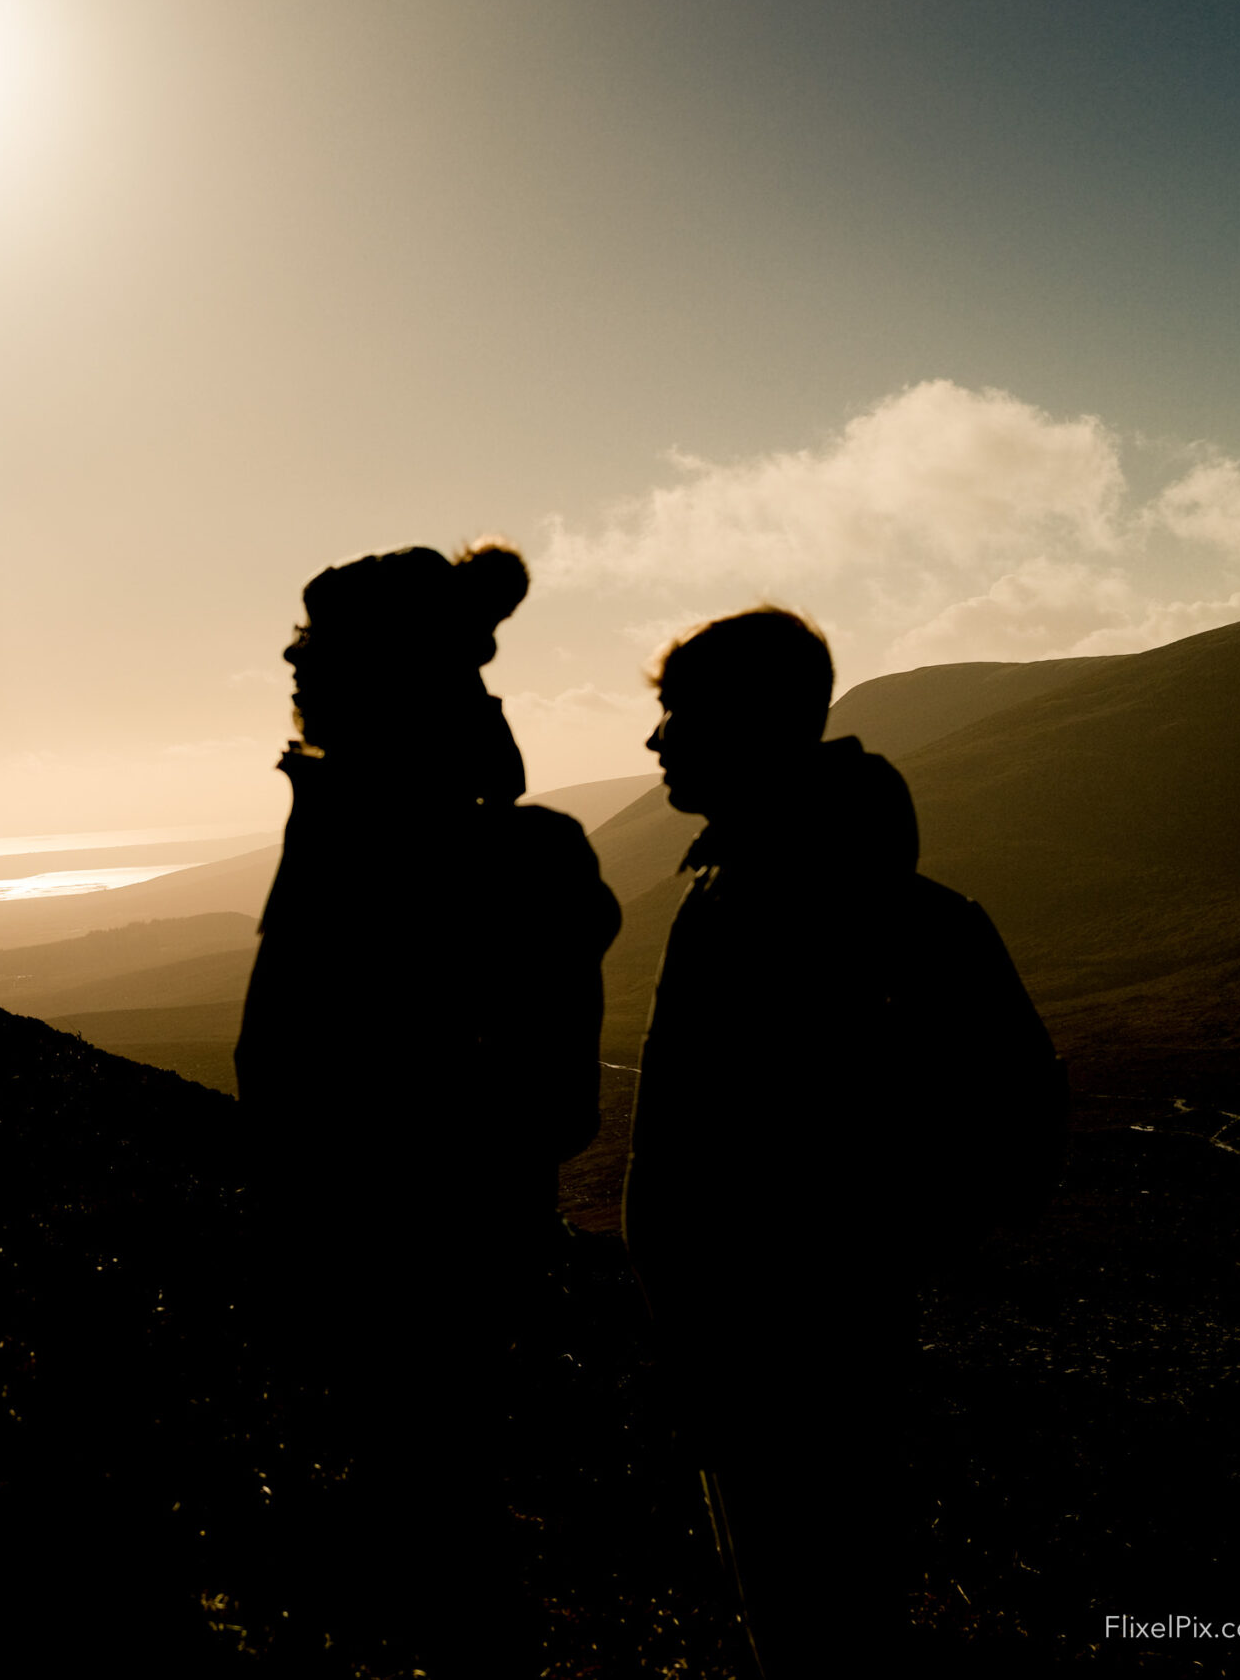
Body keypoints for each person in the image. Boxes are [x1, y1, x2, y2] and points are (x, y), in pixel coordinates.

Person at [622, 607, 1059, 1678]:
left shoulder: (797, 904)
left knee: (815, 1624)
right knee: (819, 1616)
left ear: (744, 723)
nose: (655, 738)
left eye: (677, 713)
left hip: (787, 1355)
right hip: (777, 1345)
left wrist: (850, 1254)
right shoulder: (764, 889)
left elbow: (1011, 1120)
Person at [233, 541, 619, 1656]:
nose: (294, 663)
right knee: (433, 1528)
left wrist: (384, 1193)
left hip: (409, 1268)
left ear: (385, 676)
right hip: (402, 1260)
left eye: (318, 648)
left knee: (434, 1535)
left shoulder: (427, 841)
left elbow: (540, 1103)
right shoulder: (373, 816)